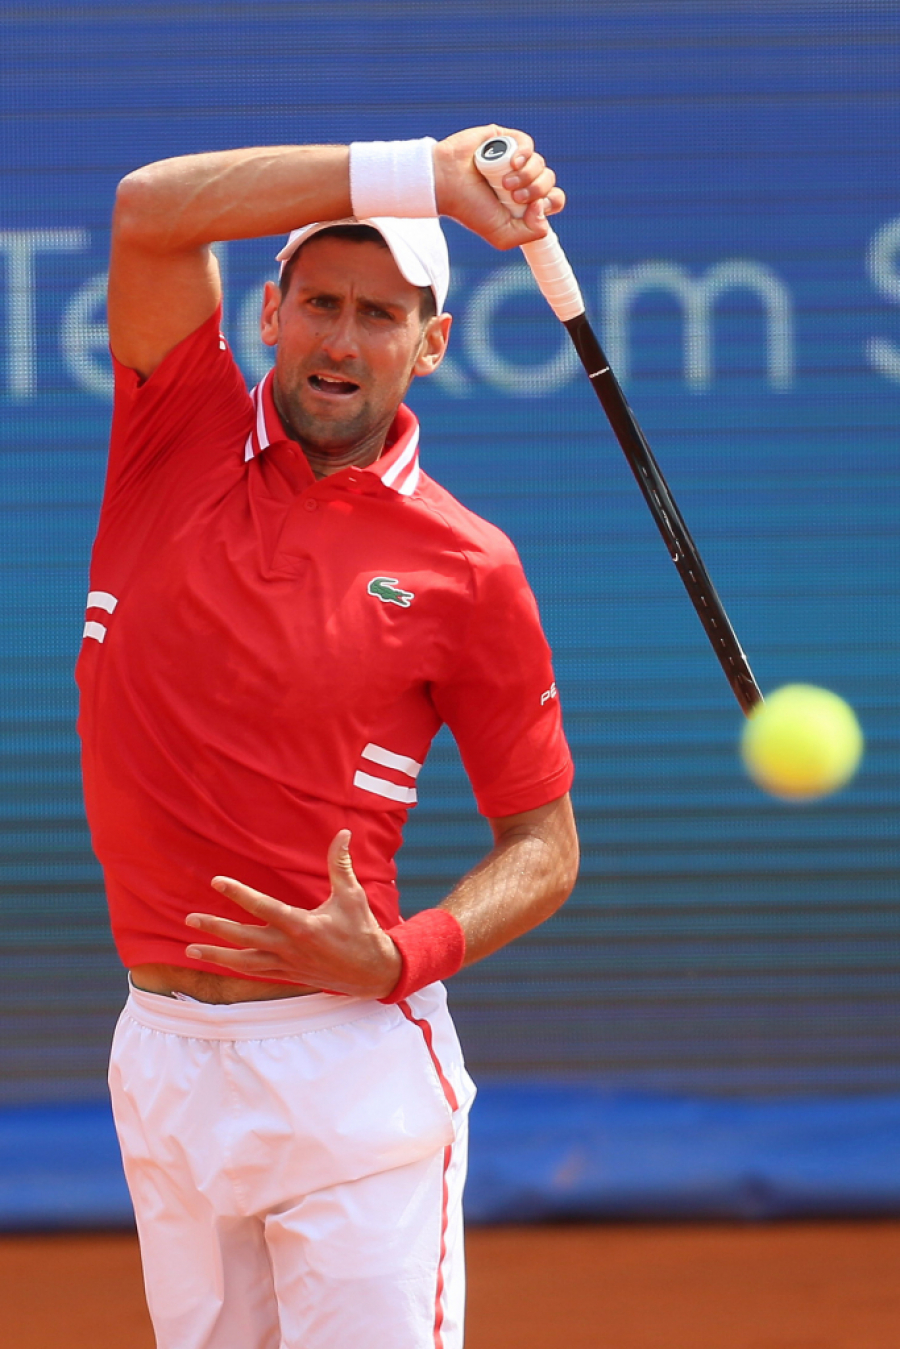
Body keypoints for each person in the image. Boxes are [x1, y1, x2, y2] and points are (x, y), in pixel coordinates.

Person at [76, 125, 579, 1349]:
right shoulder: (172, 428)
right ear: (271, 313)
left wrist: (403, 956)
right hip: (163, 1057)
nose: (343, 340)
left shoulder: (470, 566)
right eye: (320, 303)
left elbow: (545, 846)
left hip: (347, 1067)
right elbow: (151, 206)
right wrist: (427, 177)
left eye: (381, 314)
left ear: (432, 342)